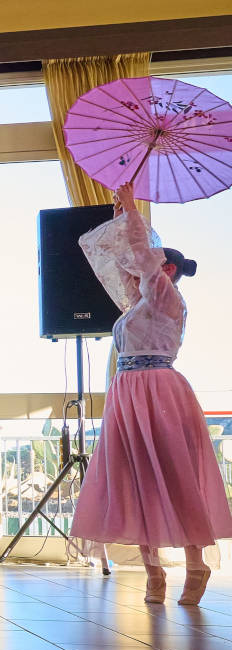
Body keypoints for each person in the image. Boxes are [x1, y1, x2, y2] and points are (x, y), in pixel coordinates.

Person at [71, 182, 232, 605]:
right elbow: (120, 260)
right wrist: (119, 220)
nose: (137, 271)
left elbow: (140, 255)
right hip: (128, 392)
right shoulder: (136, 304)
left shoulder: (166, 296)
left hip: (158, 390)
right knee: (132, 478)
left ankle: (196, 564)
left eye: (149, 266)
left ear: (167, 271)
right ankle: (152, 570)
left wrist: (132, 210)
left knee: (174, 477)